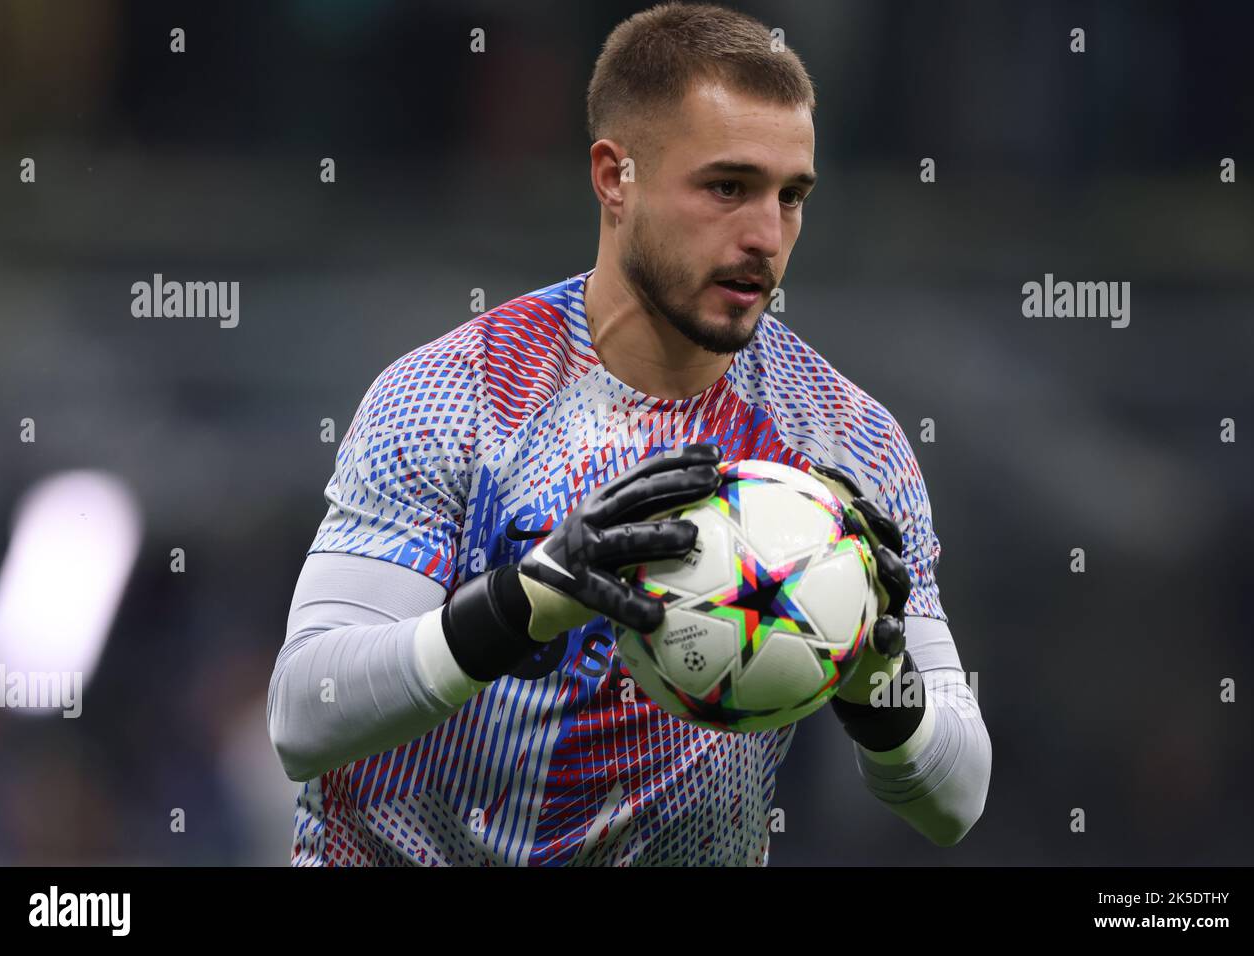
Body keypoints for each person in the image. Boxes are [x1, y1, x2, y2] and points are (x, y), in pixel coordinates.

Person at [268, 2, 990, 866]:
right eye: (727, 187)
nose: (766, 237)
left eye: (791, 196)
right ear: (616, 177)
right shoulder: (456, 396)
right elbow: (303, 718)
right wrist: (524, 602)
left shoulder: (844, 444)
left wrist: (879, 679)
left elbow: (956, 799)